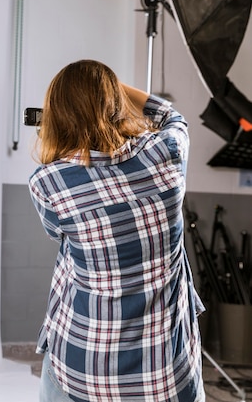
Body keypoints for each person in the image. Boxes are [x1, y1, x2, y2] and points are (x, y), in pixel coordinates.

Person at [28, 59, 205, 402]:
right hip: (164, 374)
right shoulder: (166, 154)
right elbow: (172, 116)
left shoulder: (48, 182)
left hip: (82, 366)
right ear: (116, 105)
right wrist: (109, 89)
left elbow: (58, 235)